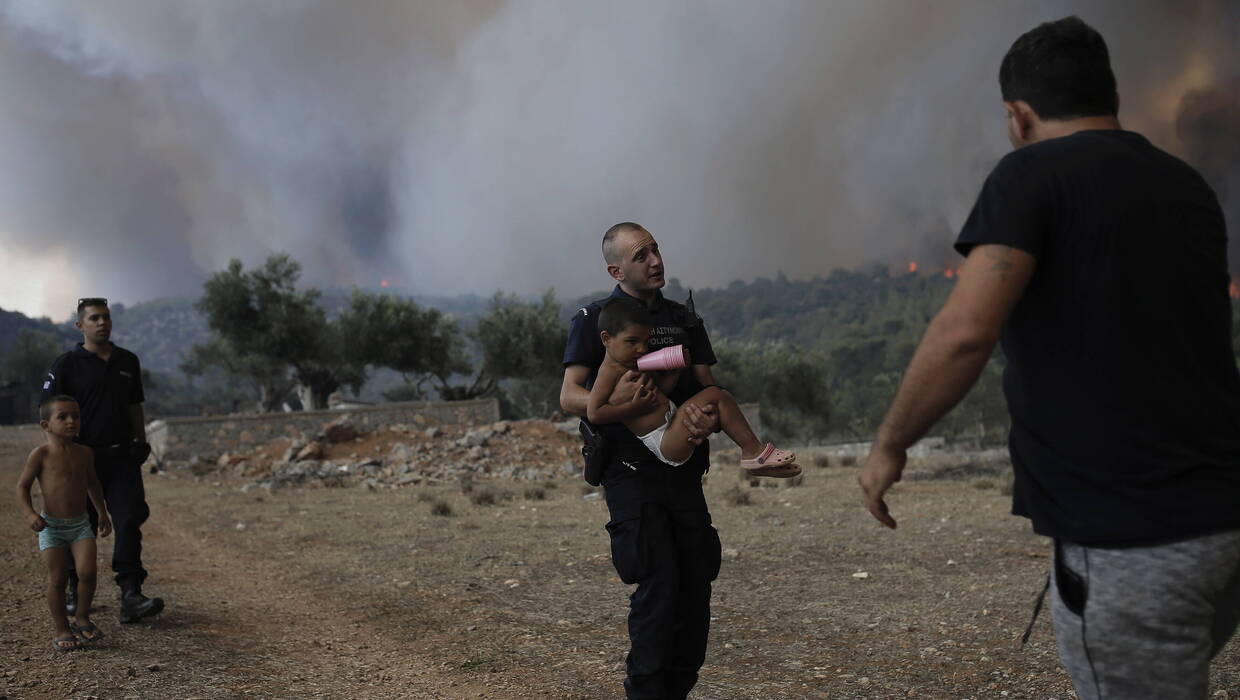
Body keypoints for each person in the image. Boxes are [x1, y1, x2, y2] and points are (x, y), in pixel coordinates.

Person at [856, 16, 1240, 700]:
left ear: (1018, 114)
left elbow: (965, 332)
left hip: (1132, 540)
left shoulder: (1028, 175)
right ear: (1110, 97)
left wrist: (890, 443)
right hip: (1222, 524)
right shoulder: (1186, 186)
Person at [561, 222, 723, 700]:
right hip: (630, 470)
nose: (655, 261)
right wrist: (617, 403)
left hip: (680, 462)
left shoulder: (682, 318)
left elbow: (704, 382)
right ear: (616, 269)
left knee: (695, 587)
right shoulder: (598, 319)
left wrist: (705, 415)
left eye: (655, 250)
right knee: (657, 588)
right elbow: (570, 394)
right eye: (640, 256)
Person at [42, 298, 164, 624]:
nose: (102, 323)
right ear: (80, 325)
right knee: (79, 525)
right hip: (81, 459)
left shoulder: (127, 361)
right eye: (94, 318)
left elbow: (134, 406)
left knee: (127, 519)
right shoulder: (67, 364)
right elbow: (49, 410)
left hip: (122, 456)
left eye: (106, 317)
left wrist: (140, 441)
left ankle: (131, 594)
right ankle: (74, 591)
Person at [588, 297, 800, 477]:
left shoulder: (636, 364)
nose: (642, 348)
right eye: (632, 341)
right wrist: (632, 408)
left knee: (717, 400)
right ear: (606, 339)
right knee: (716, 395)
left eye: (645, 341)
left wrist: (676, 370)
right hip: (663, 439)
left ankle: (758, 462)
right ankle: (752, 450)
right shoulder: (608, 372)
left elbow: (663, 390)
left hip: (673, 424)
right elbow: (595, 413)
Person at [16, 396, 113, 652]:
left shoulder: (84, 453)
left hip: (80, 524)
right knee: (58, 579)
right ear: (46, 425)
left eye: (76, 416)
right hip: (51, 527)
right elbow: (22, 487)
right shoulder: (40, 454)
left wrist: (103, 512)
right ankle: (61, 628)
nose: (71, 421)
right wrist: (29, 515)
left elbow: (93, 485)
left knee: (88, 572)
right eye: (63, 417)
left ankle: (82, 617)